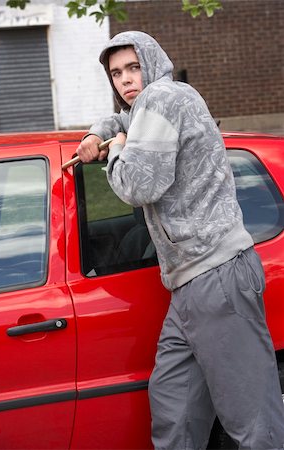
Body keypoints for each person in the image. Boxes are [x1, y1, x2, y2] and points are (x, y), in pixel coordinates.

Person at [76, 31, 284, 450]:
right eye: (116, 73)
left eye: (133, 67)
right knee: (175, 407)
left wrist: (115, 150)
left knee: (251, 420)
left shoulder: (164, 98)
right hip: (190, 286)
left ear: (151, 62)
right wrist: (98, 133)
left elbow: (138, 184)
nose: (126, 80)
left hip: (216, 276)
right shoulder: (156, 104)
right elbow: (121, 120)